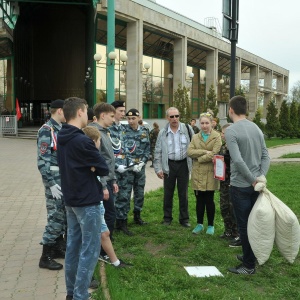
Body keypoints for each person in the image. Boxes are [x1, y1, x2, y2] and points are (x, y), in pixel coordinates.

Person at [57, 97, 109, 300]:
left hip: (71, 199)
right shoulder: (81, 140)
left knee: (73, 247)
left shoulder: (63, 135)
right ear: (79, 112)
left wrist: (92, 165)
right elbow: (103, 167)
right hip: (86, 201)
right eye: (86, 111)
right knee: (90, 249)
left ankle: (72, 293)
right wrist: (93, 166)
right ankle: (80, 296)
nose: (88, 115)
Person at [225, 96, 270, 275]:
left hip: (241, 185)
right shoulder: (256, 128)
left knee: (244, 226)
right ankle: (248, 256)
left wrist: (253, 179)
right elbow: (266, 156)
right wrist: (260, 177)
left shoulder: (231, 130)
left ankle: (249, 266)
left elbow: (237, 159)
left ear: (230, 110)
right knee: (253, 224)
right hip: (256, 185)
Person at [82, 126, 132, 268]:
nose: (100, 144)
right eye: (99, 141)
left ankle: (115, 262)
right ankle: (88, 269)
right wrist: (104, 184)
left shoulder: (90, 155)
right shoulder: (88, 156)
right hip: (90, 200)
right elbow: (103, 168)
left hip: (95, 198)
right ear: (93, 141)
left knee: (104, 232)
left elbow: (104, 168)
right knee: (91, 236)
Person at [37, 99, 66, 271]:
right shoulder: (47, 131)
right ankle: (45, 256)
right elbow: (42, 161)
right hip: (54, 181)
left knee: (60, 214)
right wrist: (51, 184)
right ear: (60, 111)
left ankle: (56, 247)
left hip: (61, 179)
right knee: (56, 217)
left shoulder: (60, 129)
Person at [88, 103, 118, 262]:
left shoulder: (104, 132)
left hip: (107, 181)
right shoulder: (94, 133)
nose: (114, 119)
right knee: (107, 216)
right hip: (101, 185)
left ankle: (107, 247)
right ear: (103, 115)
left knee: (110, 214)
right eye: (112, 116)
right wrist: (104, 186)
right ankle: (102, 251)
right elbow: (96, 163)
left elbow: (109, 160)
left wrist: (113, 180)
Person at [153, 107, 193, 227]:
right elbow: (158, 151)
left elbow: (194, 146)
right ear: (167, 118)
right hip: (169, 165)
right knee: (168, 193)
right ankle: (167, 218)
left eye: (177, 116)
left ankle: (184, 219)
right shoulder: (162, 132)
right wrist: (158, 168)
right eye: (172, 116)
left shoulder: (187, 129)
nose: (175, 119)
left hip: (183, 164)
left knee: (183, 193)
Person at [115, 108, 150, 235]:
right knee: (124, 194)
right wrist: (131, 163)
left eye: (133, 118)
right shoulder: (123, 132)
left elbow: (148, 149)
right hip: (128, 168)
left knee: (139, 192)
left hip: (140, 167)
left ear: (139, 118)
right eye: (128, 118)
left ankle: (137, 215)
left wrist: (142, 162)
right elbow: (122, 150)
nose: (130, 121)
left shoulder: (145, 131)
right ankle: (121, 220)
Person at [187, 112, 222, 235]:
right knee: (199, 200)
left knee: (209, 199)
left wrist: (200, 158)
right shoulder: (195, 137)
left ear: (212, 123)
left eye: (207, 123)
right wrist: (204, 152)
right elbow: (190, 152)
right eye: (202, 123)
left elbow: (215, 153)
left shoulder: (217, 136)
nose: (204, 125)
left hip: (210, 172)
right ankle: (199, 224)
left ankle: (211, 225)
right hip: (198, 173)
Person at [108, 100, 131, 235]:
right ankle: (110, 229)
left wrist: (128, 164)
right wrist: (117, 166)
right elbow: (107, 153)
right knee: (113, 199)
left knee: (125, 196)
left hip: (124, 170)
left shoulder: (122, 128)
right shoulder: (108, 129)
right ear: (113, 111)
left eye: (124, 111)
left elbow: (125, 149)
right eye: (121, 111)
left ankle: (122, 223)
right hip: (113, 171)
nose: (124, 113)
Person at [218, 123, 239, 241]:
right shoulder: (223, 146)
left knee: (233, 207)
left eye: (224, 133)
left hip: (233, 181)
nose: (222, 135)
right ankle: (228, 230)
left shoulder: (235, 147)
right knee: (224, 206)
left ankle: (236, 233)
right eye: (222, 132)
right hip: (224, 181)